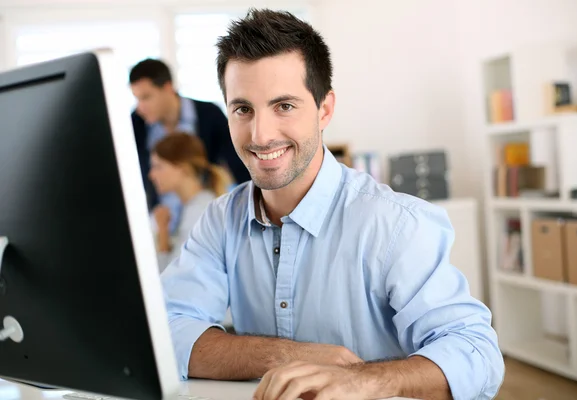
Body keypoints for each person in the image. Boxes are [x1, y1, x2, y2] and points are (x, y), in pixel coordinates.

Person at [161, 8, 504, 400]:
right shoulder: (221, 220)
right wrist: (288, 357)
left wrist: (361, 379)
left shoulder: (394, 223)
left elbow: (477, 355)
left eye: (284, 106)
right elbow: (167, 330)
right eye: (243, 109)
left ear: (324, 109)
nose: (260, 134)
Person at [129, 58, 250, 231]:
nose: (140, 107)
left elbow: (239, 166)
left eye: (146, 97)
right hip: (164, 222)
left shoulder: (209, 114)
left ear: (168, 88)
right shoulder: (136, 124)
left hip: (203, 217)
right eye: (136, 99)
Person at [149, 133, 230, 272]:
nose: (151, 174)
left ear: (182, 168)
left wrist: (163, 234)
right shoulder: (195, 206)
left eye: (159, 166)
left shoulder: (200, 211)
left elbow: (174, 276)